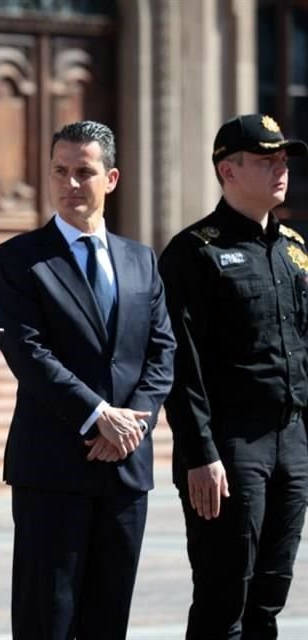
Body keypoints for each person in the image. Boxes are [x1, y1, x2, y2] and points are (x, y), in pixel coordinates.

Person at [0, 120, 176, 638]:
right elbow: (27, 352)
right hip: (52, 468)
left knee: (107, 621)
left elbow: (162, 351)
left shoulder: (141, 261)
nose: (71, 184)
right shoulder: (19, 260)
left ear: (111, 179)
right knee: (46, 619)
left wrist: (131, 426)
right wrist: (99, 416)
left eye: (84, 172)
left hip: (125, 474)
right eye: (60, 172)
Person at [159, 113, 308, 638]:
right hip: (229, 443)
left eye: (283, 159)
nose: (280, 169)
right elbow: (180, 363)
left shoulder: (294, 249)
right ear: (228, 171)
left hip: (290, 440)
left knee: (269, 597)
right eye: (266, 160)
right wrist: (200, 454)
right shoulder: (194, 251)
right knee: (225, 598)